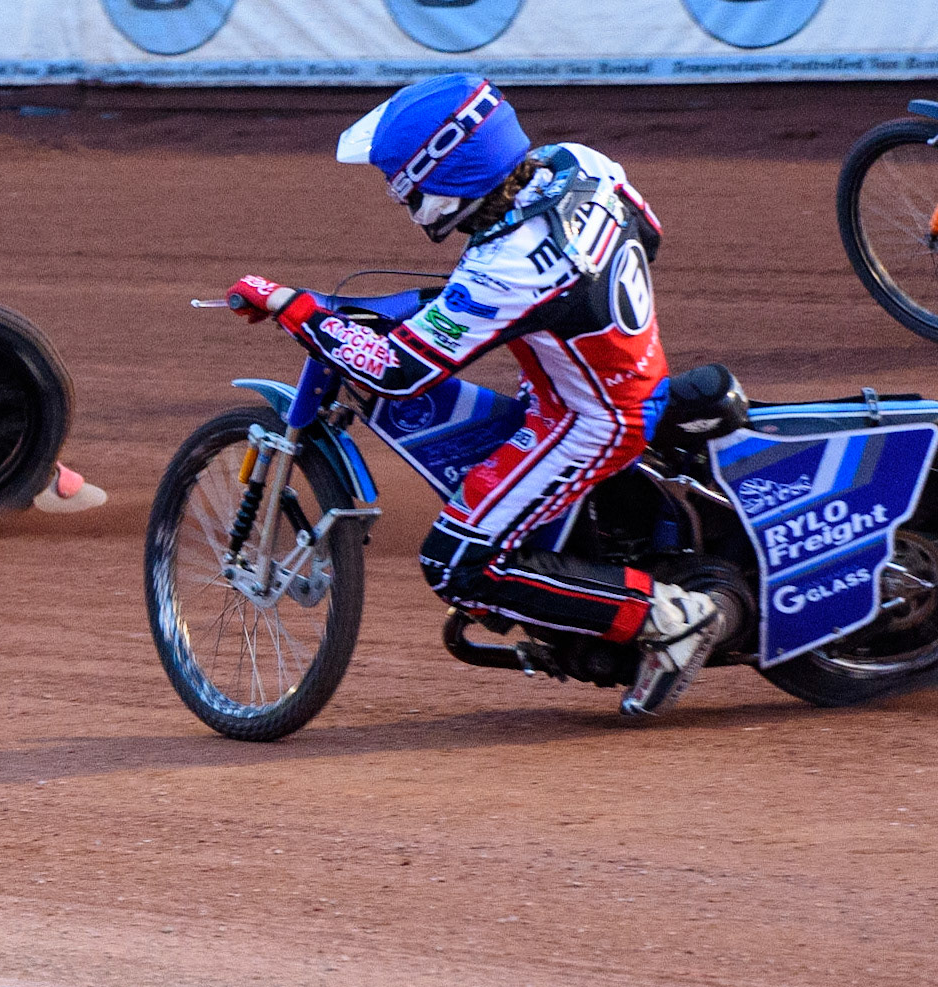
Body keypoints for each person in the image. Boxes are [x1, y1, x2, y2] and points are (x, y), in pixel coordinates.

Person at [224, 73, 730, 717]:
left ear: (442, 172)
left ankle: (671, 619)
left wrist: (293, 308)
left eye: (399, 177)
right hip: (613, 370)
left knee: (456, 564)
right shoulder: (578, 163)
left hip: (591, 418)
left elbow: (397, 373)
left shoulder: (507, 265)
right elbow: (648, 233)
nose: (396, 192)